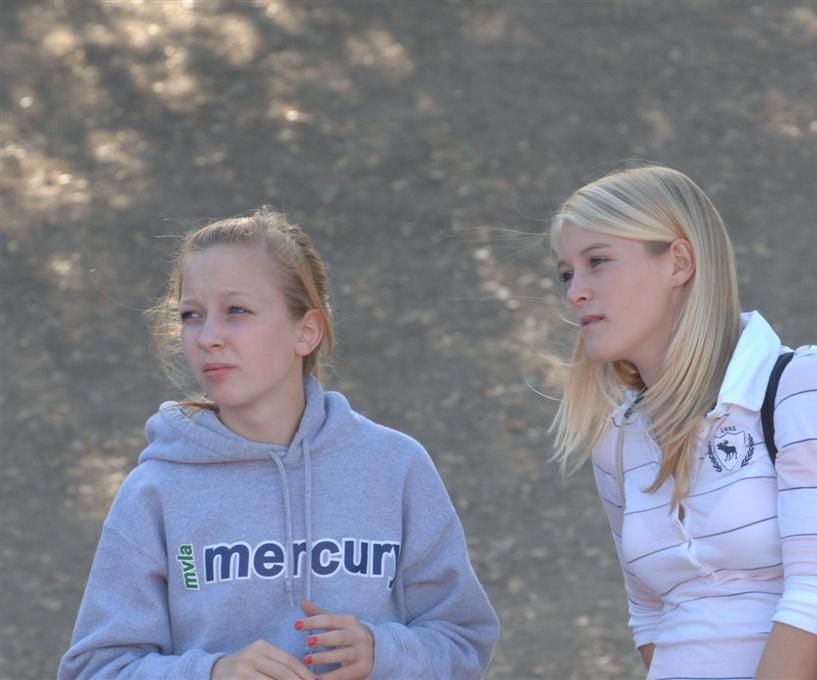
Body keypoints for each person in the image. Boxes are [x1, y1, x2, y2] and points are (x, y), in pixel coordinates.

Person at [59, 208, 499, 680]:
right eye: (191, 315)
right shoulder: (155, 491)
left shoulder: (395, 467)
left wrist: (383, 652)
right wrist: (211, 673)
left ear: (306, 332)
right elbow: (94, 669)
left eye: (236, 311)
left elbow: (464, 642)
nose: (208, 337)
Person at [548, 165, 817, 680]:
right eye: (566, 274)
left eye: (597, 261)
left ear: (679, 263)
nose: (575, 292)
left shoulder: (804, 384)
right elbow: (648, 614)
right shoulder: (616, 439)